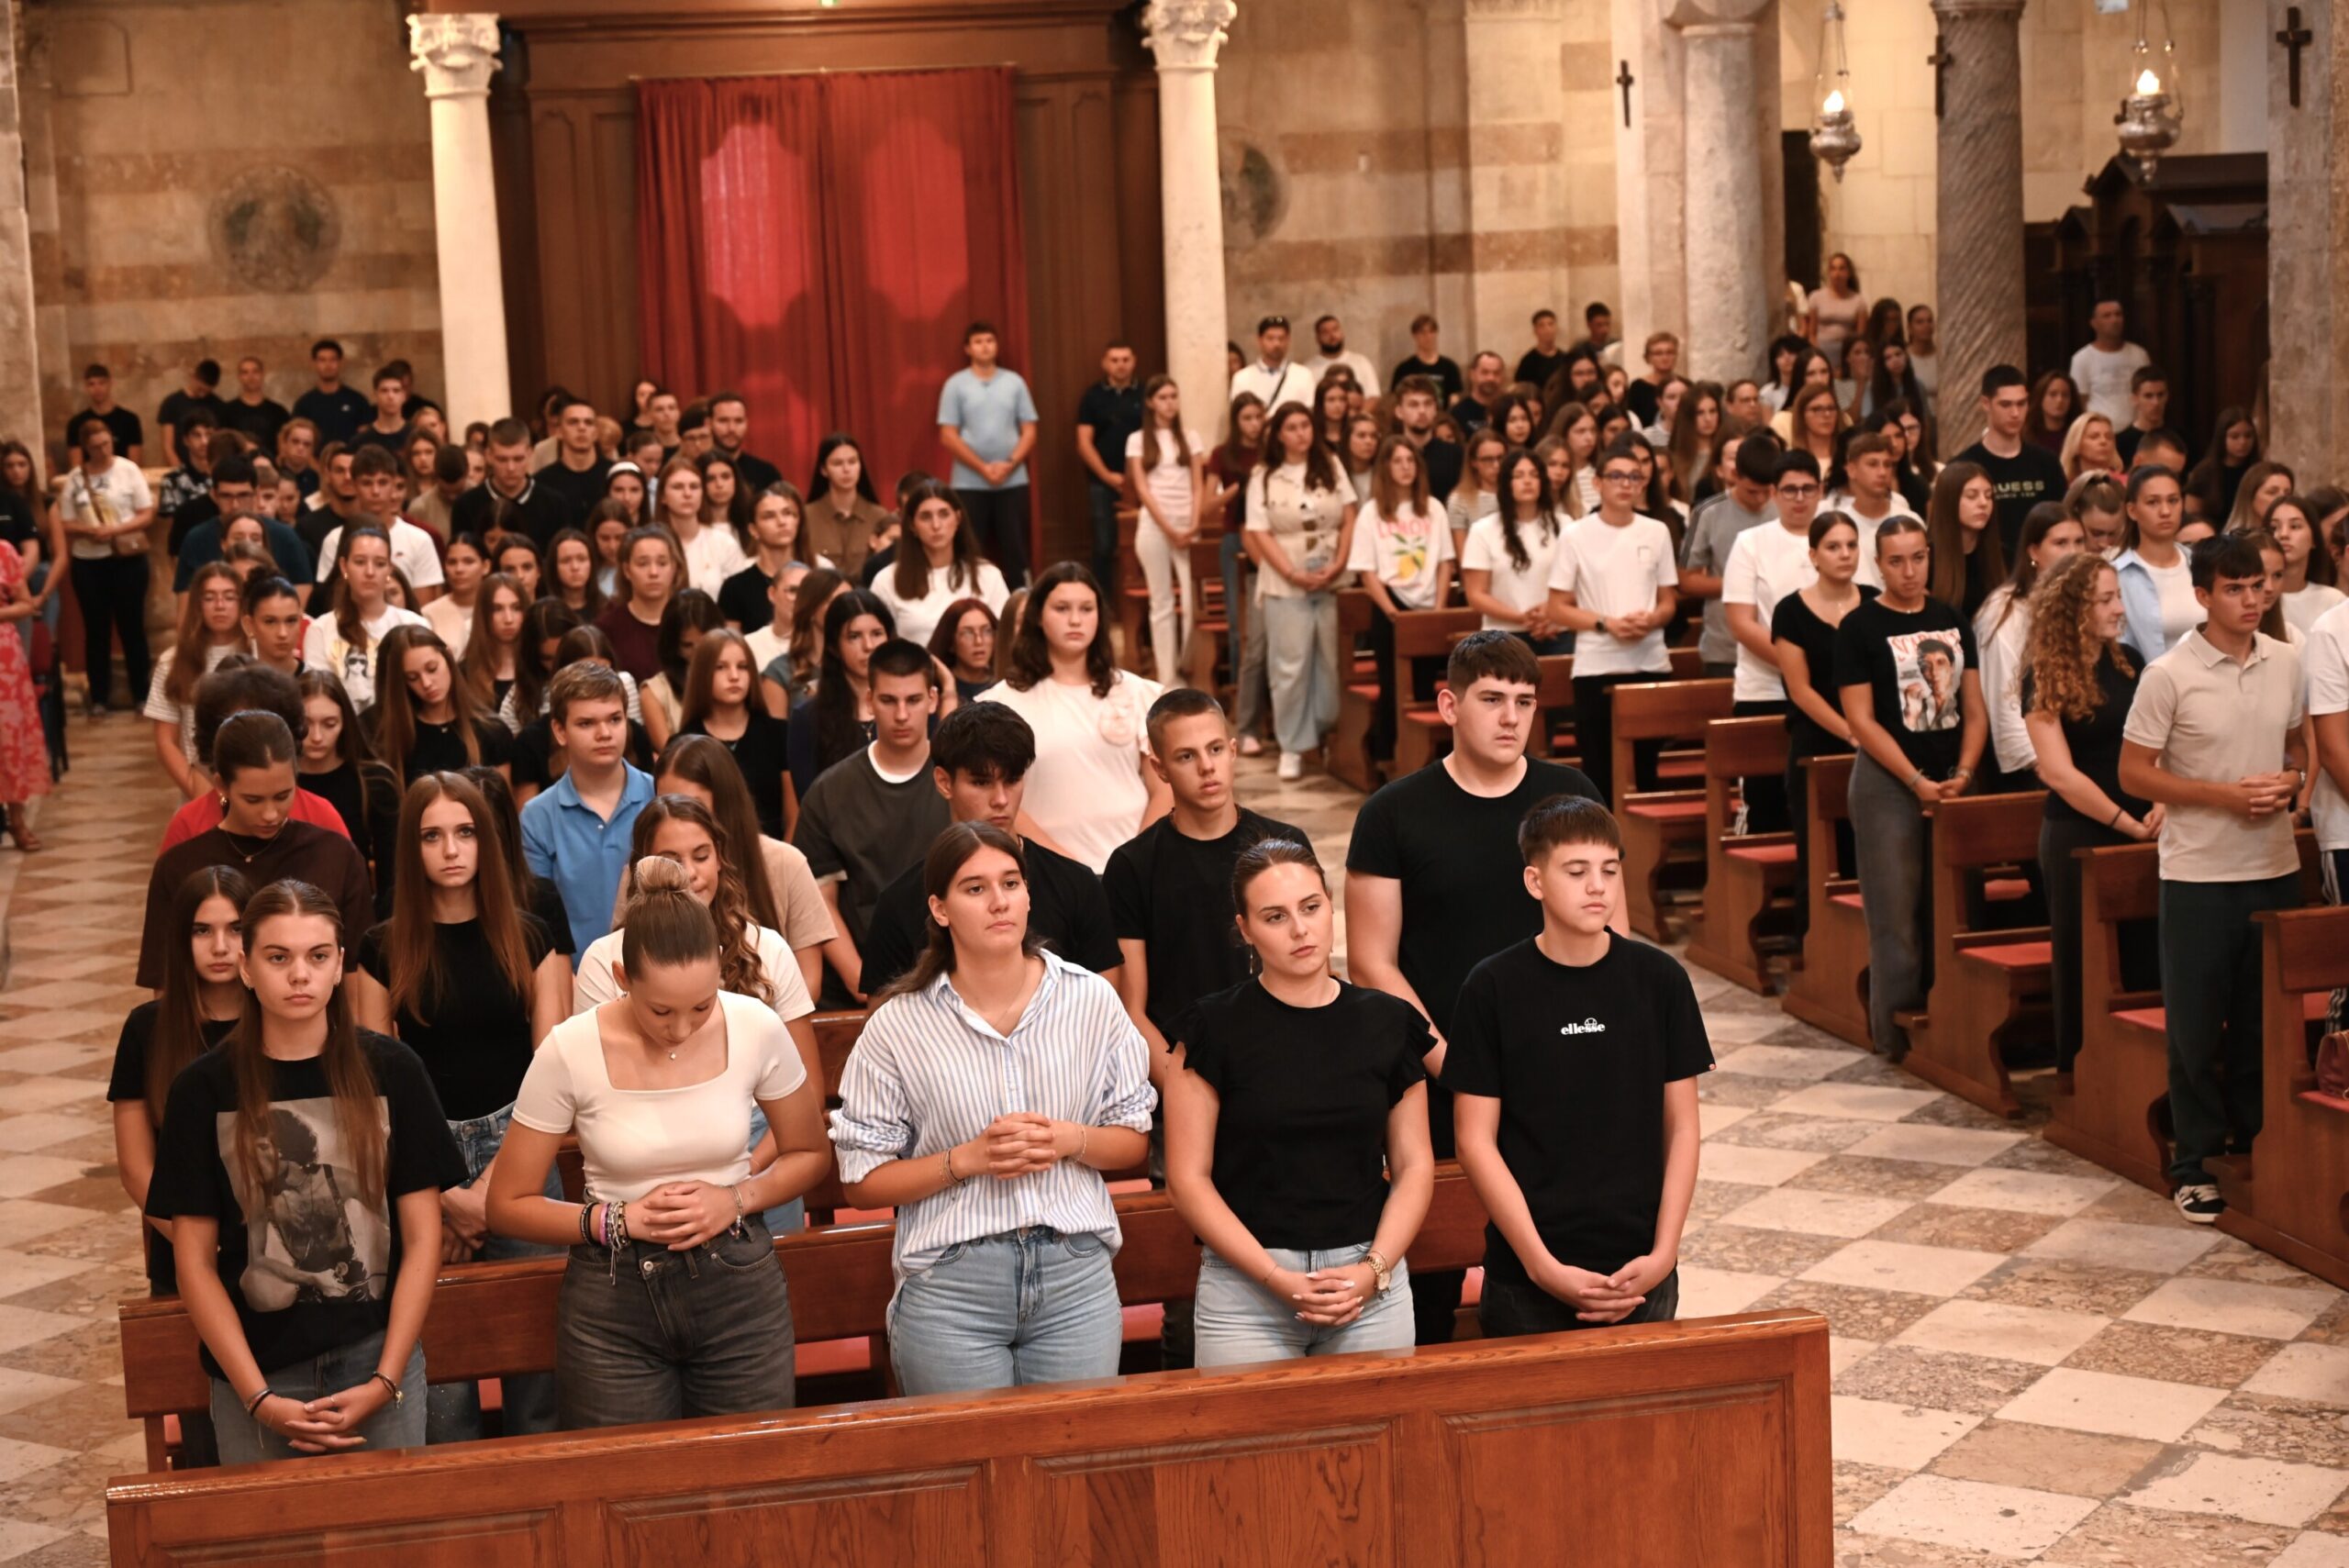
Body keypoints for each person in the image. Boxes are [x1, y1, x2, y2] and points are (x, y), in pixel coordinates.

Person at [485, 854, 829, 1429]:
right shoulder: (570, 1048)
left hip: (737, 1282)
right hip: (612, 1294)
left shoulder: (754, 1025)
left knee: (750, 1468)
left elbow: (810, 1152)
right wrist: (615, 1220)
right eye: (661, 1010)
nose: (681, 1029)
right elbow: (507, 1203)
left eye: (702, 1005)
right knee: (626, 1475)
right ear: (623, 979)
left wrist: (735, 1198)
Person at [829, 821, 1154, 1395]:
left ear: (1029, 895)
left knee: (1071, 1446)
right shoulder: (899, 1024)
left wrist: (1068, 1140)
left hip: (1073, 1271)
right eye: (975, 888)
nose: (999, 901)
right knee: (971, 1452)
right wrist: (966, 1160)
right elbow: (861, 1181)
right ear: (940, 909)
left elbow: (1132, 1139)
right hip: (953, 1282)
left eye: (1010, 883)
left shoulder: (1090, 999)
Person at [144, 877, 462, 1462]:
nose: (299, 975)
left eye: (317, 957)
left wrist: (385, 1378)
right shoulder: (202, 1089)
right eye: (278, 957)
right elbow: (194, 1263)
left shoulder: (393, 1070)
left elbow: (422, 1239)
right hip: (257, 1370)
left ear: (340, 965)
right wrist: (259, 1397)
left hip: (376, 1358)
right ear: (246, 967)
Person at [1346, 632, 1600, 1343]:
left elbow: (1605, 934)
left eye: (1525, 701)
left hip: (1556, 1070)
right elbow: (1372, 962)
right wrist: (1458, 1066)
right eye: (1492, 699)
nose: (1511, 717)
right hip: (1438, 1075)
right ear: (1449, 704)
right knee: (1431, 1279)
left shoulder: (1571, 796)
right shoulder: (1393, 813)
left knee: (1564, 1267)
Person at [351, 773, 565, 1440]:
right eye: (432, 835)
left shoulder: (531, 936)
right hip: (419, 1157)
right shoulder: (381, 948)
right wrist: (445, 1194)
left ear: (486, 841)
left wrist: (492, 1189)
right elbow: (372, 1089)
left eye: (465, 832)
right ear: (410, 849)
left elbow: (553, 1071)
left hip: (521, 1143)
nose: (451, 849)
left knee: (539, 1354)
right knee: (443, 1379)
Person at [1447, 795, 1708, 1337]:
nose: (1597, 887)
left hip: (1643, 1269)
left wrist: (1663, 1254)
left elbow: (1683, 1126)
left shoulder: (1660, 980)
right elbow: (1474, 1141)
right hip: (1527, 1278)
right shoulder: (1492, 987)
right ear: (1535, 881)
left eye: (1609, 870)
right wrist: (1542, 1267)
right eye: (1576, 871)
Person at [1165, 838, 1432, 1364]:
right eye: (1275, 917)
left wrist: (1373, 1270)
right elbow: (1186, 1179)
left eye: (1311, 907)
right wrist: (1276, 1278)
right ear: (1245, 929)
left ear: (1330, 905)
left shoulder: (1389, 1021)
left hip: (1367, 1278)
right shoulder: (1211, 1028)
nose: (1300, 930)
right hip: (1247, 1285)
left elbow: (1415, 1165)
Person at [2119, 534, 2307, 1223]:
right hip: (2199, 873)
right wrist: (2223, 796)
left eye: (2259, 586)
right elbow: (2133, 773)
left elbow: (2297, 746)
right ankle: (2194, 1162)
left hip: (2275, 867)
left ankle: (2260, 1146)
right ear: (2202, 595)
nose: (2251, 599)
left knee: (2264, 1026)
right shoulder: (2168, 674)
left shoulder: (2286, 659)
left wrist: (2291, 779)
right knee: (2196, 1030)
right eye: (2234, 588)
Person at [1833, 516, 1987, 1060]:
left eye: (1918, 558)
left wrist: (1964, 773)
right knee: (1895, 913)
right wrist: (1916, 780)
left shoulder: (1951, 618)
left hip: (1953, 779)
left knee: (1956, 907)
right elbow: (1861, 719)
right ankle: (1893, 1036)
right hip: (1888, 783)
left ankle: (1953, 1024)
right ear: (1879, 564)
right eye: (1896, 561)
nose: (1909, 571)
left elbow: (1974, 708)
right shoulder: (1859, 627)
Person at [857, 699, 1120, 995]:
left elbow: (1105, 1006)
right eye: (982, 783)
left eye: (1012, 780)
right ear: (944, 782)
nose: (1001, 799)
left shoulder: (1077, 884)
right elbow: (883, 1018)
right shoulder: (899, 901)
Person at [1108, 686, 1308, 1059]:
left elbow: (1313, 973)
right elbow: (1132, 1011)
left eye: (1215, 749)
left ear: (1232, 751)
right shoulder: (1132, 865)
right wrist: (1181, 1085)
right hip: (1181, 1060)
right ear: (1159, 769)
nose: (1206, 767)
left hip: (1281, 1052)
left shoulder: (1285, 843)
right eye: (1187, 756)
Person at [2025, 552, 2160, 1078]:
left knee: (2144, 952)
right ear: (2072, 609)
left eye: (2117, 597)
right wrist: (2127, 824)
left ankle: (2143, 1072)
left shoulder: (2130, 662)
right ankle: (2082, 1075)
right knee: (2084, 958)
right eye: (2105, 599)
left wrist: (2162, 802)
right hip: (2079, 833)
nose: (2118, 608)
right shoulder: (2044, 674)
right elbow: (2060, 773)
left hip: (2145, 826)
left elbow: (2159, 744)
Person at [139, 711, 375, 988]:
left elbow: (356, 973)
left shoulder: (335, 855)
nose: (270, 814)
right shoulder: (182, 865)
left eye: (283, 796)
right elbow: (165, 983)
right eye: (253, 800)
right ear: (221, 786)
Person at [980, 563, 1167, 870]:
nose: (1076, 620)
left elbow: (1163, 788)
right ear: (1038, 616)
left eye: (1086, 609)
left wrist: (1134, 860)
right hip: (1044, 868)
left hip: (1133, 866)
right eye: (1062, 608)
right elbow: (998, 799)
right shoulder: (1002, 703)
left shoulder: (1137, 692)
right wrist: (1067, 867)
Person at [794, 638, 950, 1001]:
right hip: (856, 986)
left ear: (933, 699)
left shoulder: (959, 782)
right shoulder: (830, 791)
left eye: (913, 700)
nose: (901, 715)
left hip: (953, 978)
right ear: (869, 701)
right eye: (888, 700)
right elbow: (818, 900)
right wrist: (862, 980)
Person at [1546, 441, 1679, 807]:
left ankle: (1642, 839)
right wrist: (1606, 624)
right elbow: (1557, 607)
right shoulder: (1576, 534)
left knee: (1647, 770)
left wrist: (1652, 619)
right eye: (1617, 476)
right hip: (1597, 665)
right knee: (1599, 772)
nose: (1626, 484)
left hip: (1649, 661)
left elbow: (1668, 601)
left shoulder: (1657, 531)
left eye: (1634, 477)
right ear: (1598, 482)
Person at [1770, 512, 1871, 940]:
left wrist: (1867, 733)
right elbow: (1800, 690)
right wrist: (1852, 731)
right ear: (1813, 555)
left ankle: (1865, 939)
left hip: (1873, 743)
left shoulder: (1875, 601)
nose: (1844, 554)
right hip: (1816, 742)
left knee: (1867, 848)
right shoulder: (1790, 612)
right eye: (1833, 547)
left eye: (1851, 545)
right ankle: (1816, 942)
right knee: (1818, 850)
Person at [1243, 402, 1355, 779]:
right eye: (1291, 427)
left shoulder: (1331, 464)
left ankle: (1323, 732)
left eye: (1305, 425)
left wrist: (1339, 562)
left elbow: (1350, 515)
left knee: (1329, 662)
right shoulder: (1264, 474)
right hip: (1285, 578)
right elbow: (1259, 531)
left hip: (1331, 572)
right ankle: (1291, 745)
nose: (1300, 433)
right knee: (1289, 665)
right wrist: (1291, 571)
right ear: (1278, 434)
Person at [1720, 450, 1830, 830]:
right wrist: (1799, 666)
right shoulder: (1751, 543)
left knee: (1822, 803)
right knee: (1766, 804)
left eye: (1807, 489)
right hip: (1763, 690)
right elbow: (1741, 623)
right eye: (1789, 490)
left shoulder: (1839, 539)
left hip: (1829, 693)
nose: (1799, 498)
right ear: (1773, 493)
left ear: (1821, 490)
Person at [519, 662, 654, 958]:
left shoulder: (659, 796)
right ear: (560, 731)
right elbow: (539, 924)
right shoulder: (536, 817)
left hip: (657, 970)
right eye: (586, 723)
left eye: (615, 719)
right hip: (573, 977)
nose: (604, 733)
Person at [1347, 435, 1455, 763]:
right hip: (1390, 604)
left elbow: (1445, 562)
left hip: (1428, 606)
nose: (1406, 467)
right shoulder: (1371, 513)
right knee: (1392, 685)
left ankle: (1426, 758)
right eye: (1398, 461)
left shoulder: (1433, 508)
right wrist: (1392, 611)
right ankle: (1388, 755)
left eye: (1411, 461)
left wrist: (1438, 609)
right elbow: (1367, 572)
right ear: (1386, 467)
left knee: (1425, 685)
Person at [1975, 504, 2087, 790]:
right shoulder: (2005, 611)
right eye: (2061, 543)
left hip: (2079, 756)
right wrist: (2050, 768)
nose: (2073, 552)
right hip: (2034, 768)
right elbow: (2005, 700)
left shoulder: (2087, 604)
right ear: (2034, 551)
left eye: (2079, 542)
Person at [59, 415, 156, 717]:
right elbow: (65, 521)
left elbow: (146, 513)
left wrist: (115, 530)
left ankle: (142, 694)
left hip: (127, 560)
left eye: (106, 443)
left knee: (132, 628)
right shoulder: (75, 479)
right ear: (86, 448)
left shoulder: (128, 470)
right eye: (96, 446)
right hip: (89, 563)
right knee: (96, 629)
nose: (103, 450)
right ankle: (99, 696)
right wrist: (89, 531)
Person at [937, 321, 1038, 587]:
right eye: (979, 342)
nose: (985, 347)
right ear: (968, 349)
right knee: (970, 547)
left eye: (990, 341)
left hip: (1012, 480)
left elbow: (1029, 430)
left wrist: (1008, 464)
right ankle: (969, 597)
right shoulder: (956, 385)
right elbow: (948, 435)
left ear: (997, 346)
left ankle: (1022, 599)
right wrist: (983, 468)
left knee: (1016, 548)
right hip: (969, 482)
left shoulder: (1014, 382)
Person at [1123, 374, 1205, 687]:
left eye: (1174, 396)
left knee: (1193, 603)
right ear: (1150, 402)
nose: (1170, 403)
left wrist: (1194, 523)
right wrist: (1168, 527)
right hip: (1155, 526)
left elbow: (1197, 484)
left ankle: (1186, 664)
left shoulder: (1190, 437)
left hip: (1187, 524)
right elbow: (1142, 489)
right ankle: (1168, 678)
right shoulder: (1137, 439)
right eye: (1163, 398)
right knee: (1162, 603)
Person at [1679, 434, 1779, 678]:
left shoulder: (1786, 508)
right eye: (1752, 491)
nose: (1761, 499)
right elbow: (1686, 580)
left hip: (1781, 644)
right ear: (1735, 475)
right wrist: (1742, 583)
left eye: (1767, 491)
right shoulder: (1707, 512)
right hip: (1724, 650)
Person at [873, 481, 1011, 649]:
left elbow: (1006, 639)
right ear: (911, 525)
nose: (936, 525)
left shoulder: (988, 575)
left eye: (944, 514)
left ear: (958, 518)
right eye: (926, 517)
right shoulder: (886, 580)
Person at [786, 588, 895, 804]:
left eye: (877, 634)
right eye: (854, 636)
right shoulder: (807, 718)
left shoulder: (908, 709)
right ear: (834, 647)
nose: (869, 646)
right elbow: (810, 802)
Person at [301, 528, 427, 712]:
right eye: (360, 562)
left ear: (390, 569)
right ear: (344, 566)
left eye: (380, 563)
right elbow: (318, 696)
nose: (370, 572)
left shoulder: (413, 624)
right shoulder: (320, 629)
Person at [678, 628, 788, 838]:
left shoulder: (778, 734)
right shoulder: (683, 744)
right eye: (721, 667)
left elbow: (793, 817)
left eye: (743, 667)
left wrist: (782, 855)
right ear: (702, 674)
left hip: (774, 850)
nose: (734, 676)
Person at [150, 565, 249, 798]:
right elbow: (165, 741)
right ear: (197, 604)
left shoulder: (257, 654)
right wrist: (196, 789)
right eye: (209, 598)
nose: (220, 605)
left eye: (229, 597)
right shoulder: (172, 661)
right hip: (198, 786)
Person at [373, 626, 514, 784]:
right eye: (413, 677)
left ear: (449, 657)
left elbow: (502, 797)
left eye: (432, 669)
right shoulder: (395, 737)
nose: (426, 683)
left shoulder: (492, 730)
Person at [1953, 365, 2068, 558]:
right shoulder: (1963, 466)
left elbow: (2062, 521)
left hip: (2039, 565)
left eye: (2021, 404)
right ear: (1986, 403)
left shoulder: (2047, 463)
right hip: (1983, 564)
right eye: (2005, 405)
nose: (2015, 413)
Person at [1461, 449, 1564, 652]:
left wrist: (1550, 612)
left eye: (1534, 475)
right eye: (1519, 476)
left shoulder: (1565, 525)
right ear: (1506, 483)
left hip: (1556, 629)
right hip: (1502, 634)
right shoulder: (1483, 530)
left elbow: (1577, 583)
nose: (1528, 481)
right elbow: (1476, 594)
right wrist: (1522, 618)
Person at [1074, 342, 1144, 595]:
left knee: (1142, 542)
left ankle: (1141, 600)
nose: (1120, 365)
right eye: (1114, 360)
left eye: (1125, 359)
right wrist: (1107, 476)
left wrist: (1135, 478)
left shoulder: (1145, 393)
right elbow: (1084, 443)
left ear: (1134, 361)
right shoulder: (1093, 396)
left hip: (1143, 482)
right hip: (1102, 482)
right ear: (1105, 363)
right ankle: (1102, 600)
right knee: (1104, 545)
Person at [2112, 463, 2198, 660]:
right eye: (2153, 502)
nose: (2165, 511)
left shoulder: (2200, 564)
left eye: (2173, 500)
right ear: (2132, 511)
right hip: (2146, 676)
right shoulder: (2117, 575)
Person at [450, 419, 569, 550]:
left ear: (530, 453)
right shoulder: (465, 505)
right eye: (502, 459)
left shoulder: (555, 505)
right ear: (488, 456)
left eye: (518, 459)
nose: (511, 468)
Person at [595, 527, 685, 684]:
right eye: (643, 564)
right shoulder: (606, 629)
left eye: (662, 563)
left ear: (674, 568)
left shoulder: (689, 620)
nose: (653, 572)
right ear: (627, 570)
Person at [1924, 460, 2006, 619]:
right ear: (1949, 500)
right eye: (1971, 496)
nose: (1983, 503)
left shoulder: (2004, 555)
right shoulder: (1926, 560)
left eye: (1988, 496)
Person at [804, 433, 890, 581]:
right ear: (823, 469)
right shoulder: (807, 516)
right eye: (837, 463)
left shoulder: (878, 515)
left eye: (852, 462)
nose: (846, 469)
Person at [2068, 299, 2153, 426]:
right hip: (2101, 432)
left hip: (2136, 430)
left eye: (2118, 314)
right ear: (2094, 323)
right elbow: (2080, 402)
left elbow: (2150, 393)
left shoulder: (2139, 354)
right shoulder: (2082, 359)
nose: (2114, 320)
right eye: (2107, 316)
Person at [2271, 494, 2345, 637]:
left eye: (2295, 526)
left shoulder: (2333, 600)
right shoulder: (2257, 600)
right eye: (2274, 528)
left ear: (2314, 539)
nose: (2283, 534)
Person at [1230, 315, 1316, 421]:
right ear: (1259, 340)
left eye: (1281, 338)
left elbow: (1309, 411)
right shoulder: (1242, 378)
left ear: (1288, 340)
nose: (1276, 344)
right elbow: (1238, 415)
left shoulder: (1303, 375)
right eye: (1270, 338)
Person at [2185, 406, 2260, 527]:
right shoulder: (2204, 472)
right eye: (2235, 436)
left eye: (2248, 436)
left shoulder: (2259, 470)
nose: (2242, 442)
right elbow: (2191, 516)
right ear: (2222, 438)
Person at [928, 597, 999, 706]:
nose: (979, 641)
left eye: (986, 631)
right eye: (967, 633)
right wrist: (948, 685)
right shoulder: (936, 688)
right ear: (950, 642)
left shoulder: (1002, 685)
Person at [1806, 252, 1868, 361]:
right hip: (1821, 349)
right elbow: (1812, 334)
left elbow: (1860, 336)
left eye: (1841, 269)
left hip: (1847, 352)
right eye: (1833, 269)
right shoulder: (1816, 297)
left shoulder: (1858, 301)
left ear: (1849, 273)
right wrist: (1819, 353)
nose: (1837, 273)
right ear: (1829, 273)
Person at [1304, 313, 1381, 396]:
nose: (1332, 335)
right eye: (1325, 332)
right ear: (1317, 338)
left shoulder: (1361, 362)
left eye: (1335, 329)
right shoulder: (1308, 370)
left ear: (1342, 333)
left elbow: (1373, 396)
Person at [1392, 314, 1463, 403]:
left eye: (1431, 332)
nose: (1428, 337)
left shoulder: (1450, 367)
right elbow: (1395, 400)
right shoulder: (1404, 369)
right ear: (1414, 335)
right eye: (1423, 332)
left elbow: (1454, 401)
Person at [2114, 366, 2171, 468]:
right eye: (2148, 396)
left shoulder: (2181, 439)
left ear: (2167, 396)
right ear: (2134, 399)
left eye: (2160, 395)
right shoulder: (2120, 443)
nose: (2156, 402)